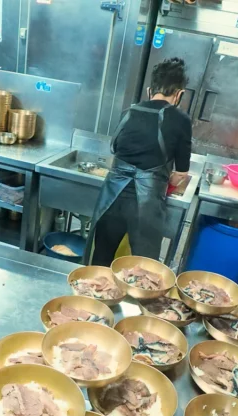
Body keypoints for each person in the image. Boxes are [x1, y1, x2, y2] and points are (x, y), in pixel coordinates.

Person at [89, 57, 192, 265]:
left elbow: (117, 151)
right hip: (146, 206)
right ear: (179, 94)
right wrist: (167, 181)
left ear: (149, 91)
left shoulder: (127, 113)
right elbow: (180, 174)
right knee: (143, 269)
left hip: (112, 198)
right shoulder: (181, 120)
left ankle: (96, 296)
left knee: (101, 260)